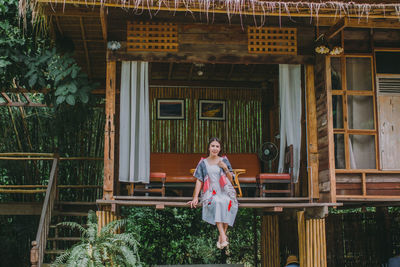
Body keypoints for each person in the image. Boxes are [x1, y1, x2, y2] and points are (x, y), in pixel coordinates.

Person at [188, 137, 238, 249]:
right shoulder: (203, 163)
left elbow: (231, 179)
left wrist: (225, 168)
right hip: (210, 191)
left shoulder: (224, 160)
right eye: (213, 146)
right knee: (217, 201)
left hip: (225, 190)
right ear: (209, 147)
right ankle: (223, 236)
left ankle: (222, 236)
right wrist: (195, 197)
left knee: (229, 202)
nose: (215, 148)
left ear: (220, 149)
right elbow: (199, 180)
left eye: (217, 146)